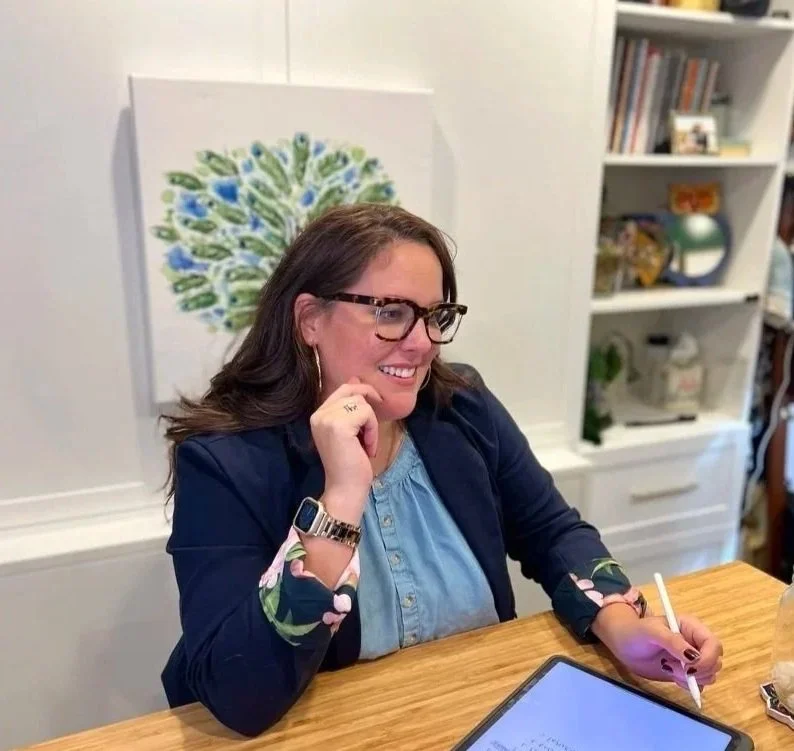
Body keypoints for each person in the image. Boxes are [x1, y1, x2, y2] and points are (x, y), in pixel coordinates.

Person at [160, 204, 723, 737]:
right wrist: (341, 498)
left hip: (477, 720)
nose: (423, 341)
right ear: (310, 319)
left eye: (435, 316)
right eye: (390, 313)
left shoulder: (461, 407)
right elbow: (240, 695)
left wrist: (625, 628)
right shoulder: (223, 461)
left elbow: (552, 533)